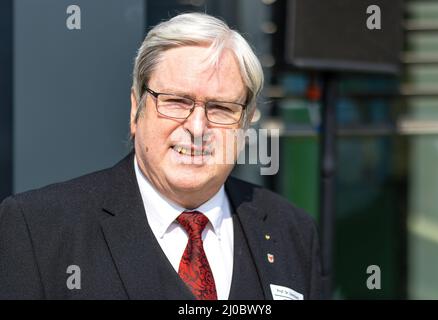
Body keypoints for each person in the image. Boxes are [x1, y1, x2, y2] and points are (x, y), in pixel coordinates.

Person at [0, 12, 323, 300]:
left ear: (246, 120)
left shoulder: (291, 230)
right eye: (176, 102)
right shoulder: (39, 228)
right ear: (135, 108)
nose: (197, 127)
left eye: (221, 108)